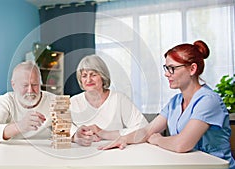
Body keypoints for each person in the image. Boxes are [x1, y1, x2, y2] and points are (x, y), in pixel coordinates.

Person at [96, 40, 235, 169]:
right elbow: (147, 131)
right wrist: (123, 139)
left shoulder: (209, 100)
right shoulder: (175, 102)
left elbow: (182, 144)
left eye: (172, 68)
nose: (166, 74)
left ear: (192, 69)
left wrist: (158, 140)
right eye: (166, 68)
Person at [70, 54, 148, 146]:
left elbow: (143, 127)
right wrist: (75, 136)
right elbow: (59, 127)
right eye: (84, 76)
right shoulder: (74, 102)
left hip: (115, 153)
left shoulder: (119, 99)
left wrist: (103, 133)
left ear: (103, 77)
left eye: (93, 75)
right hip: (82, 154)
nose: (88, 80)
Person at [0, 61, 55, 142]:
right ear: (13, 85)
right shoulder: (6, 100)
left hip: (44, 150)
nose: (30, 91)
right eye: (25, 85)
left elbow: (68, 128)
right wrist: (20, 126)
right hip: (12, 151)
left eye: (35, 84)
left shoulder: (53, 100)